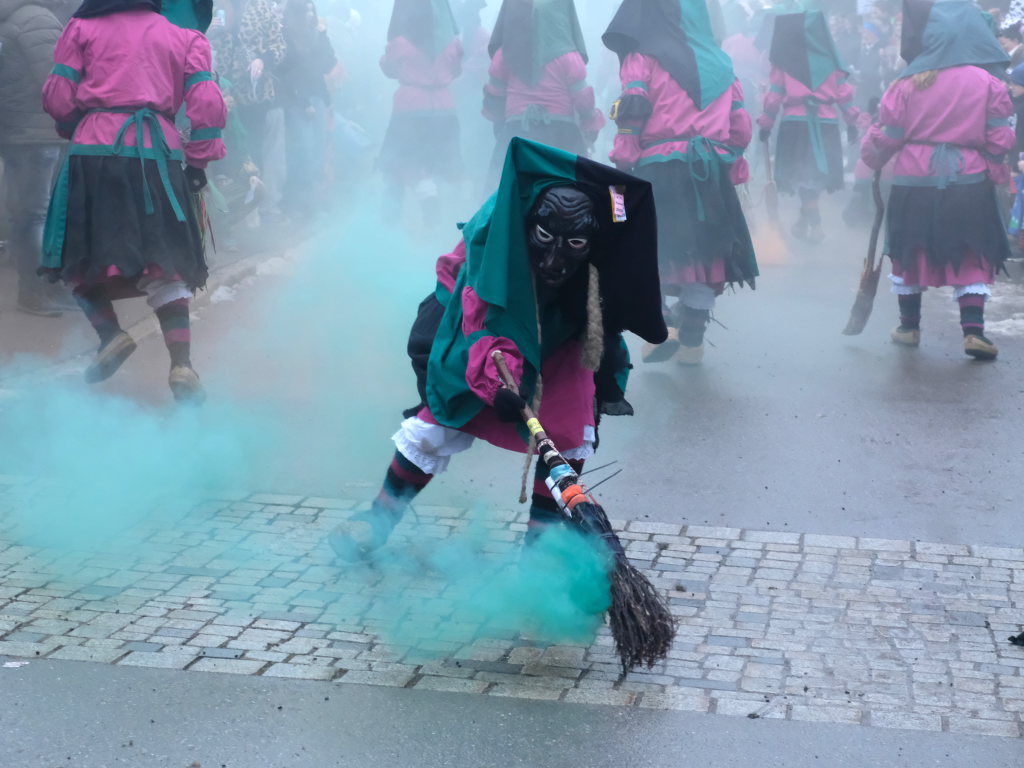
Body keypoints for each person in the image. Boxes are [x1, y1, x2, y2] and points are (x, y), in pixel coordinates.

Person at [328, 137, 667, 561]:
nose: (554, 260)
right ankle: (378, 520)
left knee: (567, 429)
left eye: (574, 245)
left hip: (565, 331)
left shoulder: (604, 253)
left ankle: (538, 556)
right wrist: (499, 383)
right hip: (483, 324)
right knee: (438, 423)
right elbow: (483, 315)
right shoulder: (496, 239)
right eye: (545, 238)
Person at [41, 0, 227, 400]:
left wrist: (78, 122)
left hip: (93, 154)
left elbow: (58, 98)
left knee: (79, 254)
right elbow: (207, 103)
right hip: (159, 154)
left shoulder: (81, 27)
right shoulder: (185, 37)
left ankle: (111, 335)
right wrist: (198, 161)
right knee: (166, 263)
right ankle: (182, 365)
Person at [603, 0, 758, 365]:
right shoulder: (721, 63)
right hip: (710, 174)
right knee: (706, 254)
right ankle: (692, 342)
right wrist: (729, 166)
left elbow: (632, 113)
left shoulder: (642, 58)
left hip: (659, 170)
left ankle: (663, 326)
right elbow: (740, 130)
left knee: (655, 251)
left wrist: (623, 159)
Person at [862, 0, 1012, 361]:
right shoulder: (988, 82)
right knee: (972, 250)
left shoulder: (906, 83)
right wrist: (994, 173)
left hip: (913, 180)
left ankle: (908, 328)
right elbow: (999, 138)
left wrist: (872, 156)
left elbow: (889, 135)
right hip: (968, 179)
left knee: (911, 248)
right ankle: (974, 331)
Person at [0, 0, 77, 317]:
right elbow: (56, 80)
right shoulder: (37, 20)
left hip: (16, 132)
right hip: (40, 132)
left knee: (27, 214)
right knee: (37, 216)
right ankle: (35, 292)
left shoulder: (10, 18)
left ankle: (44, 287)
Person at [758, 11, 860, 243]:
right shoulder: (832, 61)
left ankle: (815, 225)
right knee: (814, 176)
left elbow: (774, 96)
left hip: (796, 125)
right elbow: (844, 95)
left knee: (803, 175)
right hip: (827, 124)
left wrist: (766, 123)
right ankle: (806, 222)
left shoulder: (784, 62)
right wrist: (852, 122)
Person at [483, 0, 605, 179]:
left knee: (509, 188)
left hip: (516, 133)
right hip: (561, 136)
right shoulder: (569, 57)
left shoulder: (504, 55)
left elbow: (495, 97)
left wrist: (501, 126)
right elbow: (583, 100)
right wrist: (590, 123)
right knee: (565, 188)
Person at [378, 0, 464, 226]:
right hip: (444, 109)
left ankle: (390, 220)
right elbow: (457, 70)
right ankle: (445, 218)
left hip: (410, 111)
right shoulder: (453, 42)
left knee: (401, 163)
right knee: (441, 163)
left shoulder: (400, 42)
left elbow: (388, 68)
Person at [280, 0, 336, 218]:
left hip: (318, 96)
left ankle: (316, 201)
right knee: (304, 151)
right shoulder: (286, 35)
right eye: (306, 11)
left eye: (313, 10)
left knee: (319, 152)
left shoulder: (316, 34)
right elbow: (287, 73)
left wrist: (322, 36)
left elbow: (329, 64)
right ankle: (303, 203)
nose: (311, 15)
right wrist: (303, 103)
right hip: (298, 101)